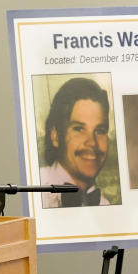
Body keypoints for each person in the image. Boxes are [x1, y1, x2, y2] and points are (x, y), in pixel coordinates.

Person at [39, 77, 112, 208]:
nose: (93, 143)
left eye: (100, 130)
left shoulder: (104, 205)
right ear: (55, 137)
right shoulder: (35, 188)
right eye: (79, 129)